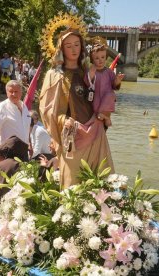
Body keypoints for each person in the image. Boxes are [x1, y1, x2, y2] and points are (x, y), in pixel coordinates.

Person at [39, 28, 116, 188]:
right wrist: (63, 120)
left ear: (82, 46)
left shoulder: (88, 72)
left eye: (76, 44)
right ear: (61, 49)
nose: (74, 49)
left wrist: (105, 112)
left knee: (99, 182)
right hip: (72, 135)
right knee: (72, 184)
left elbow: (104, 94)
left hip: (95, 131)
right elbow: (47, 109)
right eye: (68, 46)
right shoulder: (54, 75)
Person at [86, 37, 124, 128]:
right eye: (97, 58)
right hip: (95, 100)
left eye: (103, 57)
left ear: (106, 57)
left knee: (111, 95)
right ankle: (105, 118)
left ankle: (106, 117)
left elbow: (114, 86)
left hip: (106, 100)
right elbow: (87, 83)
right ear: (92, 59)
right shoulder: (91, 70)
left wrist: (117, 80)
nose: (100, 60)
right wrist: (90, 75)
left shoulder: (109, 72)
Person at [0, 80, 31, 162]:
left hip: (24, 151)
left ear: (21, 92)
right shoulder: (1, 108)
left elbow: (27, 127)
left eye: (16, 91)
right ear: (6, 92)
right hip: (8, 153)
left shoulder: (24, 106)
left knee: (24, 174)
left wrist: (30, 145)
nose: (14, 94)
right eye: (11, 91)